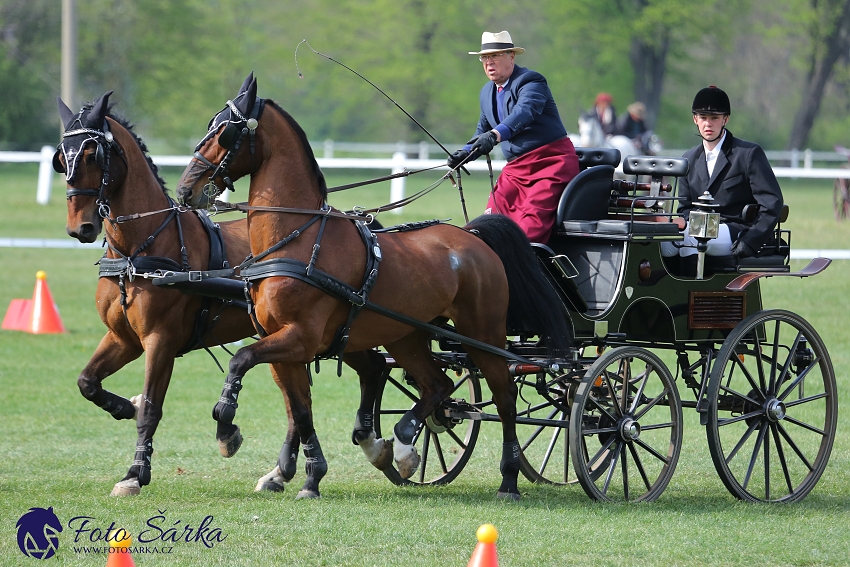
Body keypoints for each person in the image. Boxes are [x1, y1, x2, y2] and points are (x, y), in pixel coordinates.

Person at [446, 31, 579, 243]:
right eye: (485, 57)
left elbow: (524, 112)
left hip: (549, 165)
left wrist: (496, 135)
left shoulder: (531, 81)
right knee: (488, 225)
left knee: (527, 231)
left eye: (495, 56)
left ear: (511, 57)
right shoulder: (486, 92)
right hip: (516, 171)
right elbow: (482, 131)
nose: (489, 62)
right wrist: (465, 154)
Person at [662, 86, 783, 261]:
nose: (708, 123)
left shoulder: (748, 153)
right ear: (695, 119)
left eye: (714, 118)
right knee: (664, 241)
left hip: (736, 230)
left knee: (689, 239)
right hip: (698, 228)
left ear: (725, 119)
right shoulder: (688, 159)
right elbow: (684, 208)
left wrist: (751, 240)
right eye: (703, 118)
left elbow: (772, 203)